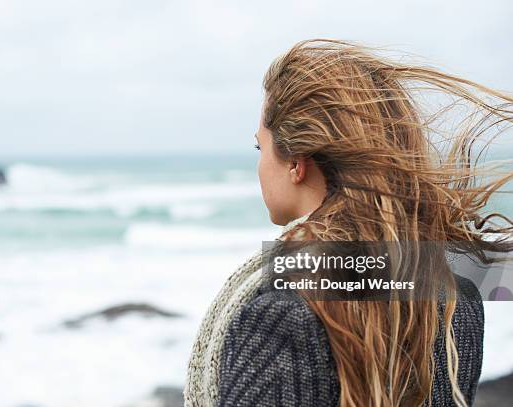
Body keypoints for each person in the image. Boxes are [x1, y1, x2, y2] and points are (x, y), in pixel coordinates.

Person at [184, 39, 513, 407]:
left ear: (296, 162)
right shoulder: (456, 297)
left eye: (260, 147)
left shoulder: (279, 313)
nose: (260, 164)